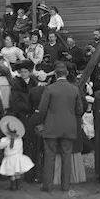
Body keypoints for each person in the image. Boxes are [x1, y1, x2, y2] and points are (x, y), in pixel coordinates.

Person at [36, 62, 84, 192]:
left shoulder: (49, 89)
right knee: (66, 156)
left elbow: (42, 109)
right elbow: (80, 109)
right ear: (67, 74)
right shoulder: (74, 89)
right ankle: (65, 186)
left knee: (49, 155)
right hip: (69, 126)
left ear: (55, 74)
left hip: (51, 126)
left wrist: (41, 123)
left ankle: (47, 185)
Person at [0, 115, 35, 190]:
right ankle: (17, 185)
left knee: (12, 174)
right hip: (18, 158)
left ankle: (13, 186)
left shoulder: (6, 140)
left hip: (10, 159)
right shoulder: (19, 139)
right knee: (17, 173)